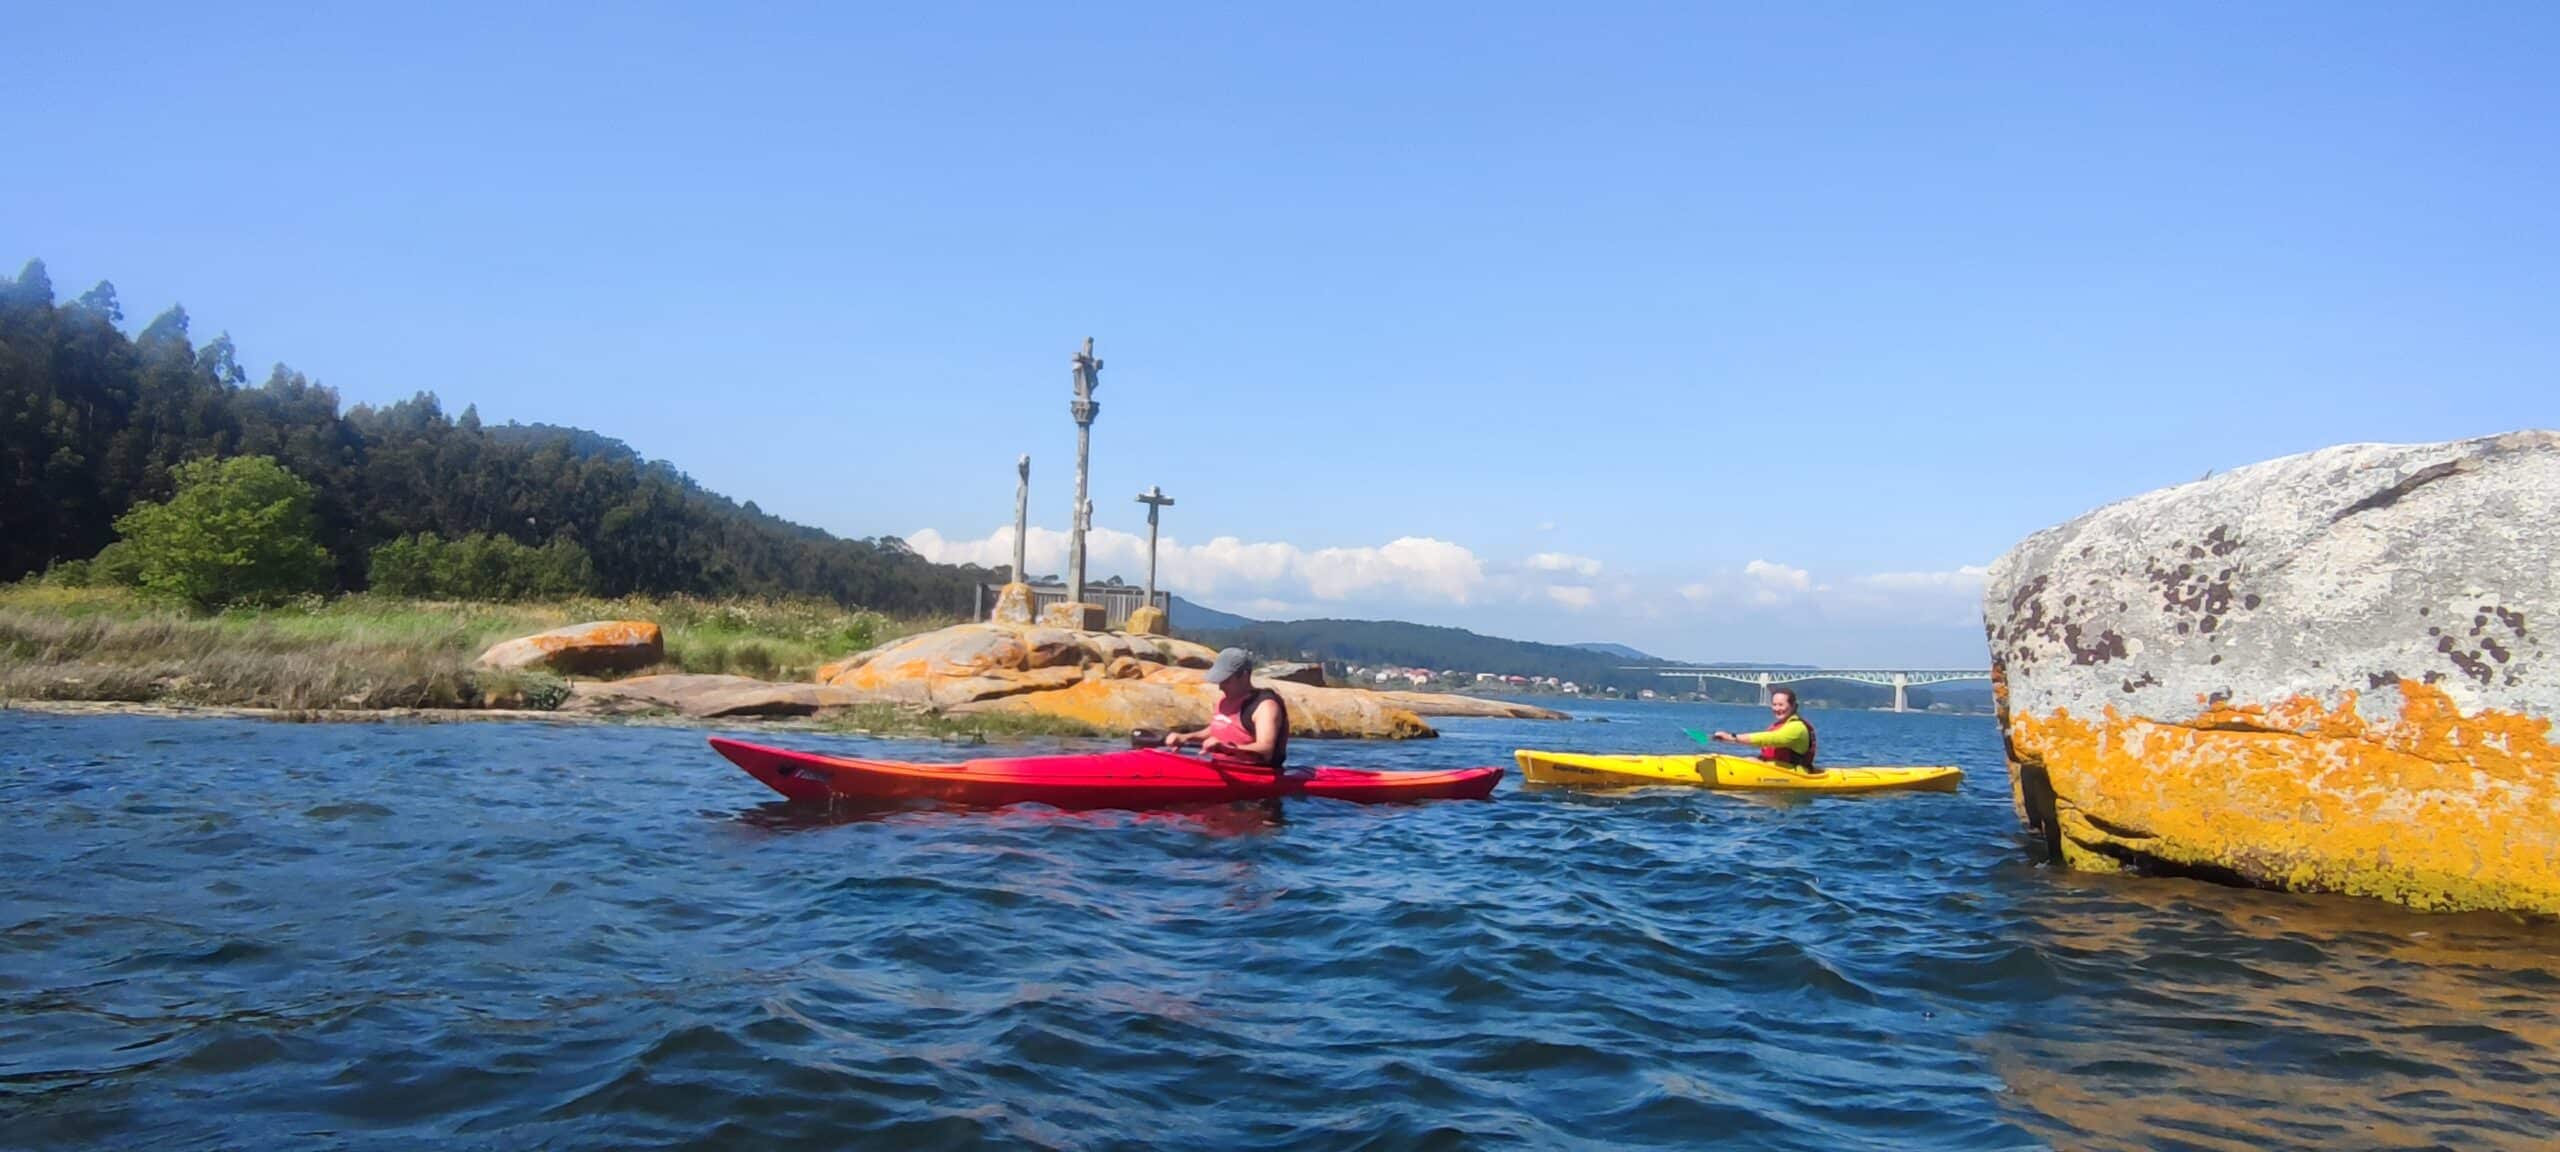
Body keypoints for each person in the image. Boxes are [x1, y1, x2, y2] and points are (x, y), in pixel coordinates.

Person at [1158, 647, 1290, 772]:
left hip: (1256, 774)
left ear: (1244, 676)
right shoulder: (1225, 700)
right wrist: (1185, 737)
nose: (1220, 687)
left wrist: (1226, 749)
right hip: (1222, 768)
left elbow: (1266, 749)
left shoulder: (1265, 706)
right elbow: (1220, 728)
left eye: (1226, 681)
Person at [1707, 688, 1820, 773]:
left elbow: (1770, 739)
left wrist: (1732, 737)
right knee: (1748, 759)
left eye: (1781, 705)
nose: (1777, 709)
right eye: (1774, 704)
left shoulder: (1797, 727)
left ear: (1793, 706)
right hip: (1777, 769)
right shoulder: (1781, 725)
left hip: (1795, 774)